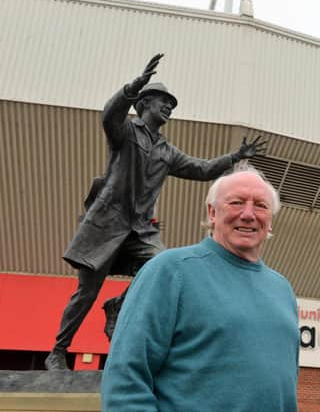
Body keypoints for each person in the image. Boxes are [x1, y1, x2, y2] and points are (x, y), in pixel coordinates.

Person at [45, 54, 266, 370]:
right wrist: (131, 88)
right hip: (106, 225)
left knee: (160, 266)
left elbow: (201, 169)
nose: (169, 109)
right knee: (86, 292)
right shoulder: (125, 132)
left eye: (172, 106)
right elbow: (109, 115)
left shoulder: (166, 150)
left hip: (140, 231)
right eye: (164, 102)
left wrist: (234, 157)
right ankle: (57, 351)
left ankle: (118, 305)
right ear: (144, 103)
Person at [101, 165, 299, 412]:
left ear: (270, 221)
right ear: (212, 212)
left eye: (260, 205)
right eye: (236, 203)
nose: (248, 214)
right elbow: (125, 378)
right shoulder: (170, 271)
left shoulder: (282, 290)